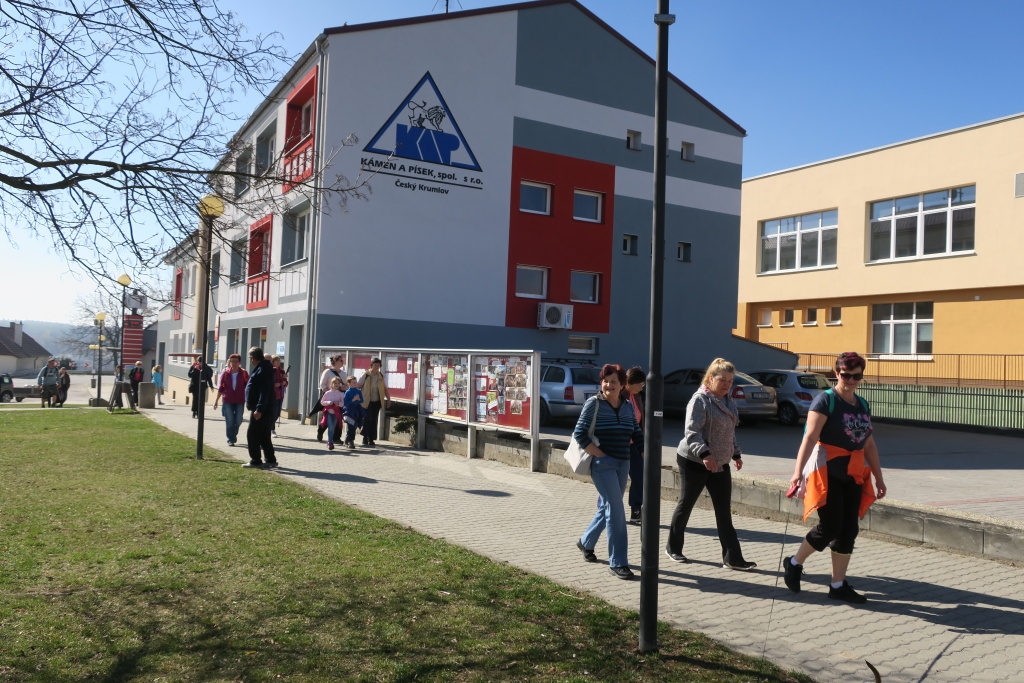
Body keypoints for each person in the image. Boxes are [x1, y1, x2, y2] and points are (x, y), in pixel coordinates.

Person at [783, 351, 886, 604]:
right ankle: (794, 563)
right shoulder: (825, 401)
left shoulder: (862, 404)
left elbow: (869, 444)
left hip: (853, 474)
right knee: (829, 527)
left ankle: (837, 585)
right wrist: (797, 473)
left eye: (856, 376)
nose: (850, 380)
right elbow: (809, 437)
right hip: (827, 474)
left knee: (849, 530)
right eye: (845, 375)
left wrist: (879, 477)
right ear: (837, 373)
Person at [665, 358, 757, 571]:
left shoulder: (728, 401)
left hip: (720, 463)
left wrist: (736, 454)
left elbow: (730, 432)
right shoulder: (700, 400)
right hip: (694, 460)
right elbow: (692, 432)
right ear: (711, 378)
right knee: (686, 504)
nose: (727, 384)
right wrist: (705, 454)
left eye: (730, 381)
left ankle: (732, 558)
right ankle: (673, 548)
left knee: (723, 511)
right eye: (722, 380)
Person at [575, 364, 644, 580]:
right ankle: (618, 562)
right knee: (616, 511)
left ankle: (586, 542)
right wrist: (601, 455)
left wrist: (645, 452)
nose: (608, 385)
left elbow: (636, 432)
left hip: (624, 464)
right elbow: (580, 433)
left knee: (608, 506)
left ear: (622, 385)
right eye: (605, 381)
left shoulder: (627, 406)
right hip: (603, 465)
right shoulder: (594, 404)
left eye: (613, 381)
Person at [244, 346, 278, 469]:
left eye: (250, 358)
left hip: (262, 409)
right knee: (264, 435)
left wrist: (259, 408)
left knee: (252, 434)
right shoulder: (263, 368)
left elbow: (264, 391)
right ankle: (270, 459)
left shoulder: (263, 369)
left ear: (253, 358)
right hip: (264, 408)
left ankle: (256, 460)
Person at [213, 354, 249, 446]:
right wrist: (216, 401)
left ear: (239, 362)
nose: (234, 363)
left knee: (238, 420)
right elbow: (221, 387)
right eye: (232, 361)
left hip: (239, 400)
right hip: (228, 400)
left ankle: (233, 434)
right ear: (230, 362)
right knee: (230, 421)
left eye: (236, 361)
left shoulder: (244, 373)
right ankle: (231, 439)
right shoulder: (226, 373)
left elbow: (248, 386)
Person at [358, 357, 390, 447]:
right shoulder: (366, 375)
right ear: (371, 365)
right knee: (368, 419)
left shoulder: (380, 376)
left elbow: (385, 389)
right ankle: (365, 437)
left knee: (374, 420)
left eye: (378, 365)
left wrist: (388, 399)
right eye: (375, 364)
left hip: (377, 401)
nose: (376, 366)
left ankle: (371, 438)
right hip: (367, 401)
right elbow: (358, 386)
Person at [314, 355, 345, 443]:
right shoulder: (327, 371)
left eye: (342, 360)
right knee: (327, 419)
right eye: (340, 360)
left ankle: (336, 438)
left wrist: (343, 388)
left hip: (339, 399)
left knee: (338, 418)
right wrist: (330, 392)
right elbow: (322, 385)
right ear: (335, 362)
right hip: (329, 399)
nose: (342, 362)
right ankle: (320, 431)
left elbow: (345, 384)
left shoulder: (343, 373)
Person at [319, 377, 346, 451]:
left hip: (336, 413)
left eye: (338, 383)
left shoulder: (341, 394)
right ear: (331, 384)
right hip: (329, 412)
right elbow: (322, 402)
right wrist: (329, 402)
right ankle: (330, 442)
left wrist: (338, 403)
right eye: (335, 383)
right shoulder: (328, 393)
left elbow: (343, 403)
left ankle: (330, 440)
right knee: (330, 427)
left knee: (333, 427)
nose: (336, 384)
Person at [342, 375, 365, 449]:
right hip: (350, 411)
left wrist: (358, 400)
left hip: (357, 410)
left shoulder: (358, 391)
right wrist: (353, 399)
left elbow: (362, 401)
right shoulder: (347, 392)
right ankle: (351, 441)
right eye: (353, 382)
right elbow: (346, 403)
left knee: (355, 426)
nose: (355, 383)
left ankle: (347, 439)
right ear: (349, 383)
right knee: (351, 426)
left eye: (356, 382)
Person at [271, 355, 288, 437]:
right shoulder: (271, 370)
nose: (278, 362)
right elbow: (273, 382)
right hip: (273, 394)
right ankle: (272, 429)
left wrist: (284, 381)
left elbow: (285, 383)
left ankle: (269, 426)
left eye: (279, 360)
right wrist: (280, 382)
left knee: (277, 413)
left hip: (280, 395)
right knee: (273, 413)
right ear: (272, 362)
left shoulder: (282, 370)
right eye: (276, 360)